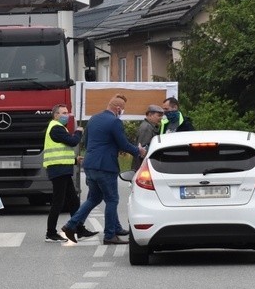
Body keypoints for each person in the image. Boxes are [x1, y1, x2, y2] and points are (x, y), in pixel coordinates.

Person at [61, 94, 146, 245]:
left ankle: (71, 225)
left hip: (90, 164)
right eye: (122, 110)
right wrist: (138, 152)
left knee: (94, 198)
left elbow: (86, 142)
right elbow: (123, 144)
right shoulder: (114, 122)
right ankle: (109, 235)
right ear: (118, 108)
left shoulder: (93, 119)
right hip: (105, 167)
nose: (122, 112)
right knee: (112, 199)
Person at [43, 104, 98, 242]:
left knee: (73, 201)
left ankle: (79, 229)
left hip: (62, 169)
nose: (66, 115)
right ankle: (50, 233)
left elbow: (62, 150)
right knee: (58, 202)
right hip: (58, 170)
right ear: (56, 115)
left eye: (67, 113)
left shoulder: (59, 128)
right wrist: (79, 131)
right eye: (63, 113)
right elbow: (73, 142)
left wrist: (74, 160)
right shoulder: (56, 128)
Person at [135, 104, 164, 169]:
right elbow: (142, 151)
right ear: (150, 115)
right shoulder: (146, 128)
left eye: (161, 116)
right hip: (144, 166)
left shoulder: (151, 126)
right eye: (159, 116)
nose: (161, 118)